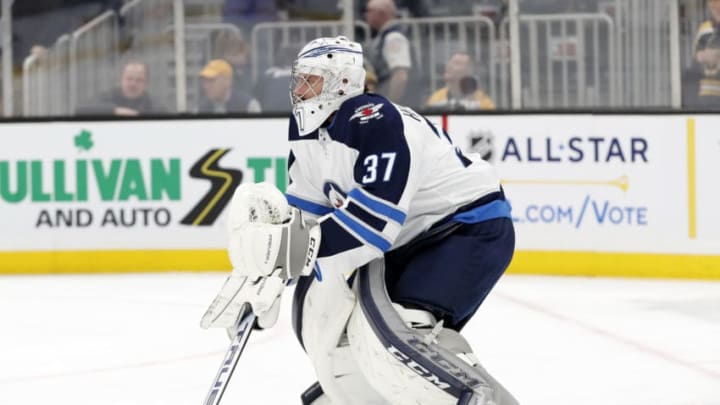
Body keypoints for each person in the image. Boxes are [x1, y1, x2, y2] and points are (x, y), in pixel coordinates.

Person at [201, 36, 518, 404]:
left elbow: (372, 226)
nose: (299, 90)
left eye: (311, 80)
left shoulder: (373, 120)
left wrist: (290, 250)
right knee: (343, 338)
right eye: (299, 79)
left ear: (343, 80)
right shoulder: (305, 131)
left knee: (400, 334)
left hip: (466, 227)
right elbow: (307, 222)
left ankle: (478, 397)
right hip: (409, 242)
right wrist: (263, 282)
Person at [363, 0, 417, 105]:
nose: (366, 15)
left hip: (402, 105)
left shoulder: (394, 37)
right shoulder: (385, 35)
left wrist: (391, 104)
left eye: (369, 11)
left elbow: (400, 76)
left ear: (382, 13)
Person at [75, 60, 164, 116]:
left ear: (146, 83)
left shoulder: (154, 105)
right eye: (129, 79)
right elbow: (80, 110)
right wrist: (115, 110)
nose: (133, 83)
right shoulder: (108, 96)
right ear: (121, 79)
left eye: (139, 80)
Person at [425, 51, 496, 111]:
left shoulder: (483, 103)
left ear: (469, 71)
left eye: (457, 63)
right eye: (450, 62)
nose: (449, 66)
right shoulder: (436, 98)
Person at [683, 0, 720, 109]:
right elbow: (694, 61)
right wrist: (702, 57)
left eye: (717, 1)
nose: (714, 5)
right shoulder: (705, 29)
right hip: (706, 97)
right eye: (711, 2)